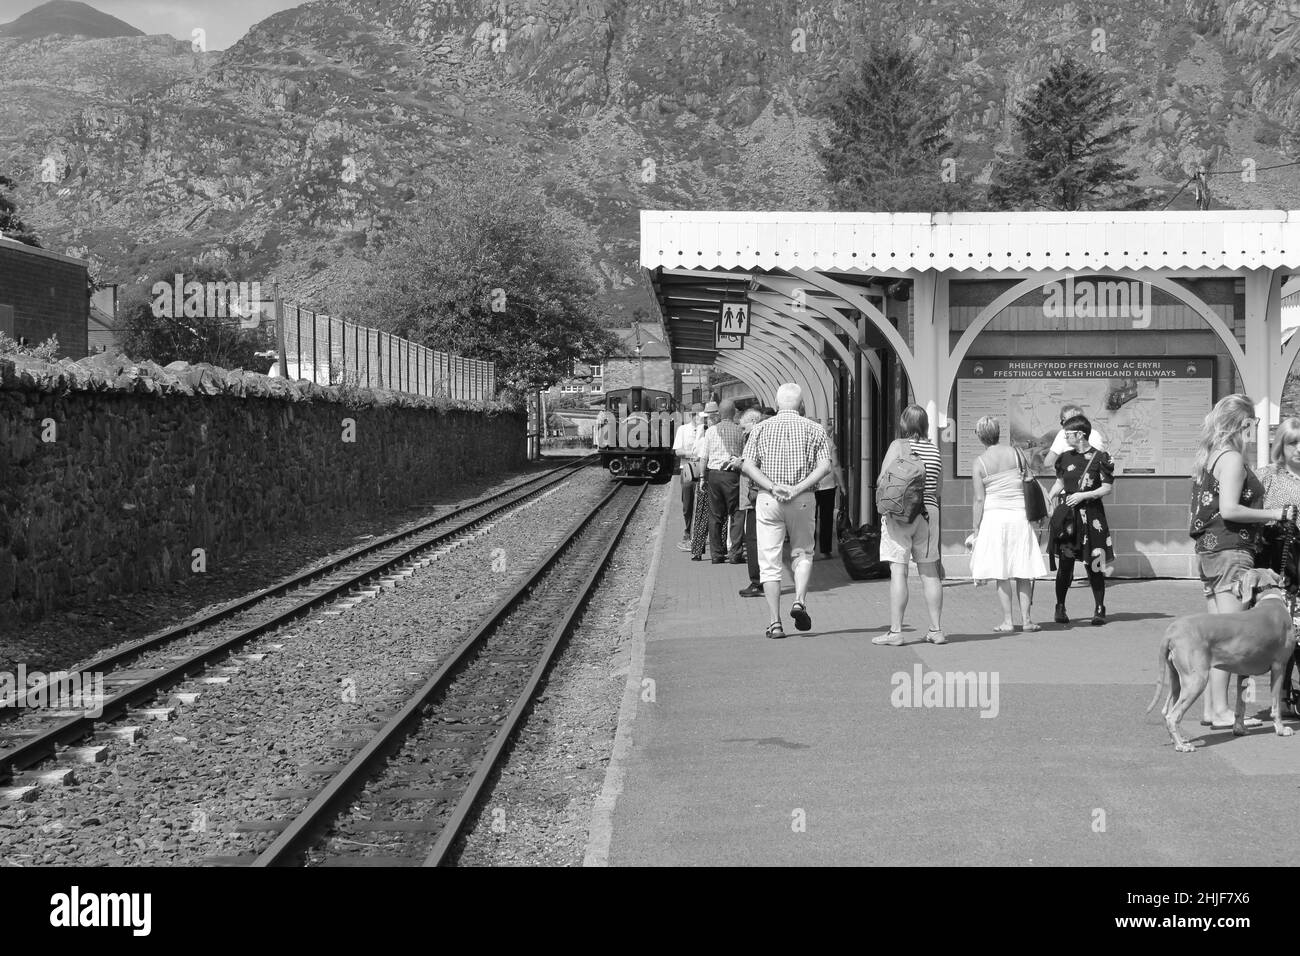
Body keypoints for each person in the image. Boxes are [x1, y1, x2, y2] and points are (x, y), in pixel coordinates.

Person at [1189, 395, 1294, 728]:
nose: (1255, 430)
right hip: (1232, 550)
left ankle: (1212, 709)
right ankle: (1220, 711)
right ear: (1244, 422)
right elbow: (1231, 509)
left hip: (1210, 552)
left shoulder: (1210, 455)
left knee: (1217, 635)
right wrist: (1275, 513)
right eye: (1254, 424)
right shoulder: (1232, 458)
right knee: (1231, 637)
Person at [741, 384, 832, 639]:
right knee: (803, 551)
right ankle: (799, 601)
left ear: (778, 403)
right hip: (802, 498)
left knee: (769, 561)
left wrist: (771, 486)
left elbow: (747, 465)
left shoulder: (760, 428)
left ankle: (775, 623)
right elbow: (825, 466)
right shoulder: (815, 429)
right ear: (801, 405)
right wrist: (797, 488)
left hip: (769, 499)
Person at [873, 404, 945, 646]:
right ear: (925, 425)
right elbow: (939, 490)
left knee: (898, 571)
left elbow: (883, 480)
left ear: (904, 424)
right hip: (928, 514)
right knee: (929, 572)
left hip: (901, 515)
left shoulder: (898, 446)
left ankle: (896, 632)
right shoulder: (934, 450)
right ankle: (936, 630)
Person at [968, 416, 1047, 632]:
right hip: (1020, 516)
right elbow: (1029, 480)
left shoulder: (979, 463)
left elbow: (979, 499)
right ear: (998, 432)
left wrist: (976, 528)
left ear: (979, 436)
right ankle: (1027, 620)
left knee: (1001, 572)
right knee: (1023, 569)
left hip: (994, 519)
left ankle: (1008, 621)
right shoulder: (1016, 453)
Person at [1045, 413, 1114, 626]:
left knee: (1094, 563)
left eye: (1069, 434)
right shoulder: (1065, 458)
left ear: (1081, 435)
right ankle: (1060, 606)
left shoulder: (1101, 458)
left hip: (1092, 517)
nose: (1065, 438)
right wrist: (1049, 498)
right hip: (1069, 519)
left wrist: (1084, 495)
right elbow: (1060, 482)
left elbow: (1107, 487)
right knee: (1065, 563)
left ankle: (1100, 607)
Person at [1257, 417, 1300, 713]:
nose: (1298, 448)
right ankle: (1281, 697)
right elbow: (1249, 515)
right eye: (1292, 442)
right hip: (1280, 563)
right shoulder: (1267, 476)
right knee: (1284, 634)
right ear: (1280, 445)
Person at [701, 399, 747, 564]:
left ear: (719, 413)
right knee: (736, 513)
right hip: (733, 476)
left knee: (715, 515)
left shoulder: (711, 431)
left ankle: (716, 554)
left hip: (714, 475)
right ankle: (735, 554)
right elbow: (744, 456)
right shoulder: (739, 431)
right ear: (734, 413)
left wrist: (701, 477)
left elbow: (704, 457)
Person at [737, 406, 774, 597]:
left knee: (753, 538)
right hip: (767, 493)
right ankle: (766, 581)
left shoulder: (756, 437)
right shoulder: (771, 436)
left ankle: (757, 582)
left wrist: (740, 463)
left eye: (744, 428)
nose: (743, 432)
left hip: (756, 495)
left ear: (753, 422)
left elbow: (755, 466)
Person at [672, 403, 704, 551]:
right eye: (700, 416)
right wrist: (693, 454)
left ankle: (698, 535)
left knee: (703, 504)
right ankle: (687, 531)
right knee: (687, 503)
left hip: (703, 469)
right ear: (693, 416)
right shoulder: (683, 430)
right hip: (687, 470)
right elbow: (678, 451)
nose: (702, 419)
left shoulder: (706, 430)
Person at [813, 421, 846, 560]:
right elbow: (836, 464)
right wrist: (843, 485)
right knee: (826, 518)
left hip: (810, 485)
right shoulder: (829, 442)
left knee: (810, 519)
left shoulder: (804, 440)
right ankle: (825, 550)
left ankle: (810, 550)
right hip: (828, 484)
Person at [688, 404, 716, 560]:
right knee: (720, 516)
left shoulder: (704, 434)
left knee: (702, 514)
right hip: (722, 475)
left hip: (706, 475)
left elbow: (696, 454)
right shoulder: (728, 430)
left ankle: (697, 550)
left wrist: (702, 477)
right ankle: (719, 550)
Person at [1043, 403, 1106, 470]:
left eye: (1065, 420)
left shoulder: (1063, 433)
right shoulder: (1096, 434)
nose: (1063, 424)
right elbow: (1099, 460)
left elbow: (1048, 462)